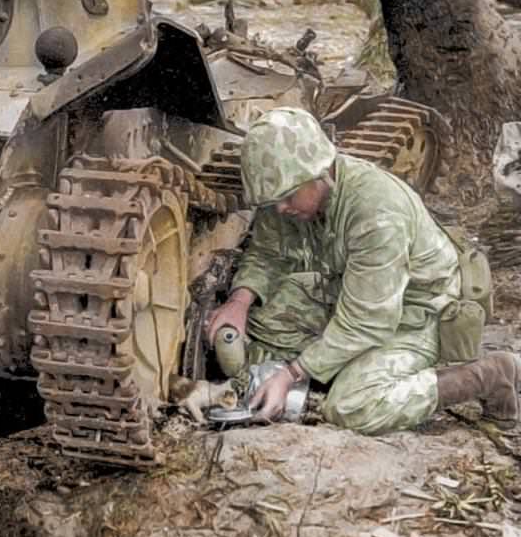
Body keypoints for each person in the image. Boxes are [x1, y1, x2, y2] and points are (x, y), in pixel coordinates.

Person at [204, 107, 520, 434]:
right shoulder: (293, 191)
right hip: (353, 291)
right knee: (252, 335)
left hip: (417, 311)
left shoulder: (376, 211)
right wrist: (239, 302)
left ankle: (489, 374)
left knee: (353, 406)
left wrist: (291, 374)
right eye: (272, 202)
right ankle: (321, 375)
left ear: (321, 171)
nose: (280, 209)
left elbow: (367, 322)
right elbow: (268, 253)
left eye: (286, 198)